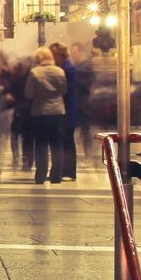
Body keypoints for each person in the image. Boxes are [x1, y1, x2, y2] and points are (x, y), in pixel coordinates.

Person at [26, 48, 68, 186]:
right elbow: (64, 91)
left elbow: (29, 93)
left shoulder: (34, 72)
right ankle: (56, 175)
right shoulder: (60, 71)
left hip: (40, 111)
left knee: (41, 145)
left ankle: (41, 175)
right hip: (58, 111)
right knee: (57, 144)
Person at [49, 42, 81, 182]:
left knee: (65, 141)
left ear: (58, 55)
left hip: (67, 109)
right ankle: (66, 170)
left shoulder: (68, 68)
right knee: (67, 141)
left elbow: (66, 90)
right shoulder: (66, 67)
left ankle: (66, 170)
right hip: (68, 108)